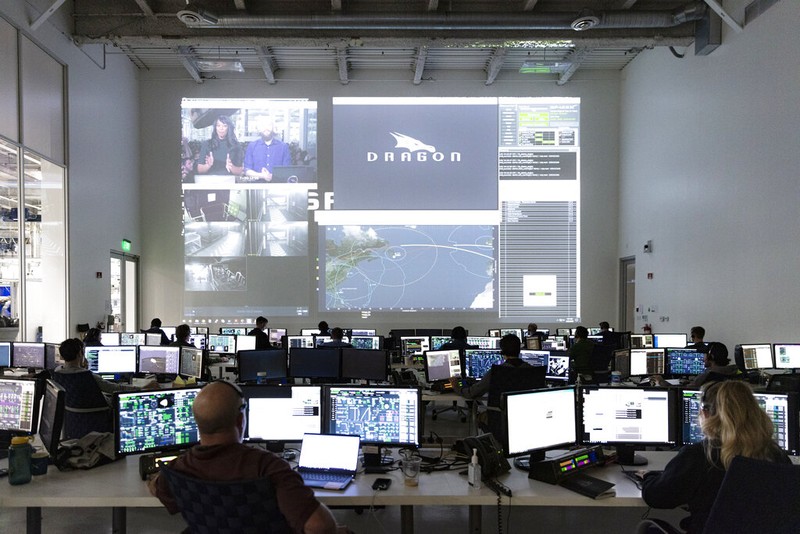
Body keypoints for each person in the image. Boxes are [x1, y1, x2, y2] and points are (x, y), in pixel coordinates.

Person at [148, 381, 349, 534]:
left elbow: (156, 486)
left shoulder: (177, 468)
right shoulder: (268, 467)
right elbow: (319, 526)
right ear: (241, 419)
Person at [640, 381, 789, 533]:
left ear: (705, 414)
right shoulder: (777, 456)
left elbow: (657, 497)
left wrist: (649, 477)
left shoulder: (700, 455)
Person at [54, 338, 158, 394]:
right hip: (100, 414)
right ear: (80, 354)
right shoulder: (88, 376)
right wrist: (143, 388)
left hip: (73, 418)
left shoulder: (57, 372)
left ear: (62, 356)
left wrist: (82, 367)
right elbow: (115, 388)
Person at [449, 334, 531, 399]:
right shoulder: (532, 370)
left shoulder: (496, 372)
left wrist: (456, 386)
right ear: (519, 350)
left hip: (499, 415)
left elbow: (471, 393)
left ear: (502, 352)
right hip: (525, 415)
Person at [652, 342, 740, 388]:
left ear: (711, 356)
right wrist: (692, 382)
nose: (703, 358)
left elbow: (680, 391)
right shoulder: (734, 370)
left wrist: (661, 381)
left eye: (704, 355)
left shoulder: (709, 373)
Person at [243, 117, 291, 182]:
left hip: (277, 186)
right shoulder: (252, 146)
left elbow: (287, 170)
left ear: (273, 128)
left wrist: (272, 176)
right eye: (263, 125)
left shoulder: (283, 147)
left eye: (269, 125)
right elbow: (247, 170)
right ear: (259, 128)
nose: (266, 128)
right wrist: (262, 175)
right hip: (256, 186)